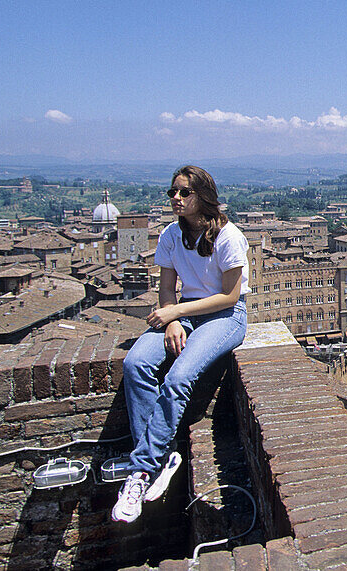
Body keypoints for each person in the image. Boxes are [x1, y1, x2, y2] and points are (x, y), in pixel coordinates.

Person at [112, 166, 249, 523]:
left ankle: (141, 472)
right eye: (173, 191)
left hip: (226, 317)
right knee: (136, 364)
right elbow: (165, 289)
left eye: (184, 192)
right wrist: (172, 319)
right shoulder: (171, 235)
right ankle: (164, 454)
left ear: (202, 196)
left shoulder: (229, 236)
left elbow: (229, 296)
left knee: (177, 379)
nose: (176, 198)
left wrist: (176, 311)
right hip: (185, 315)